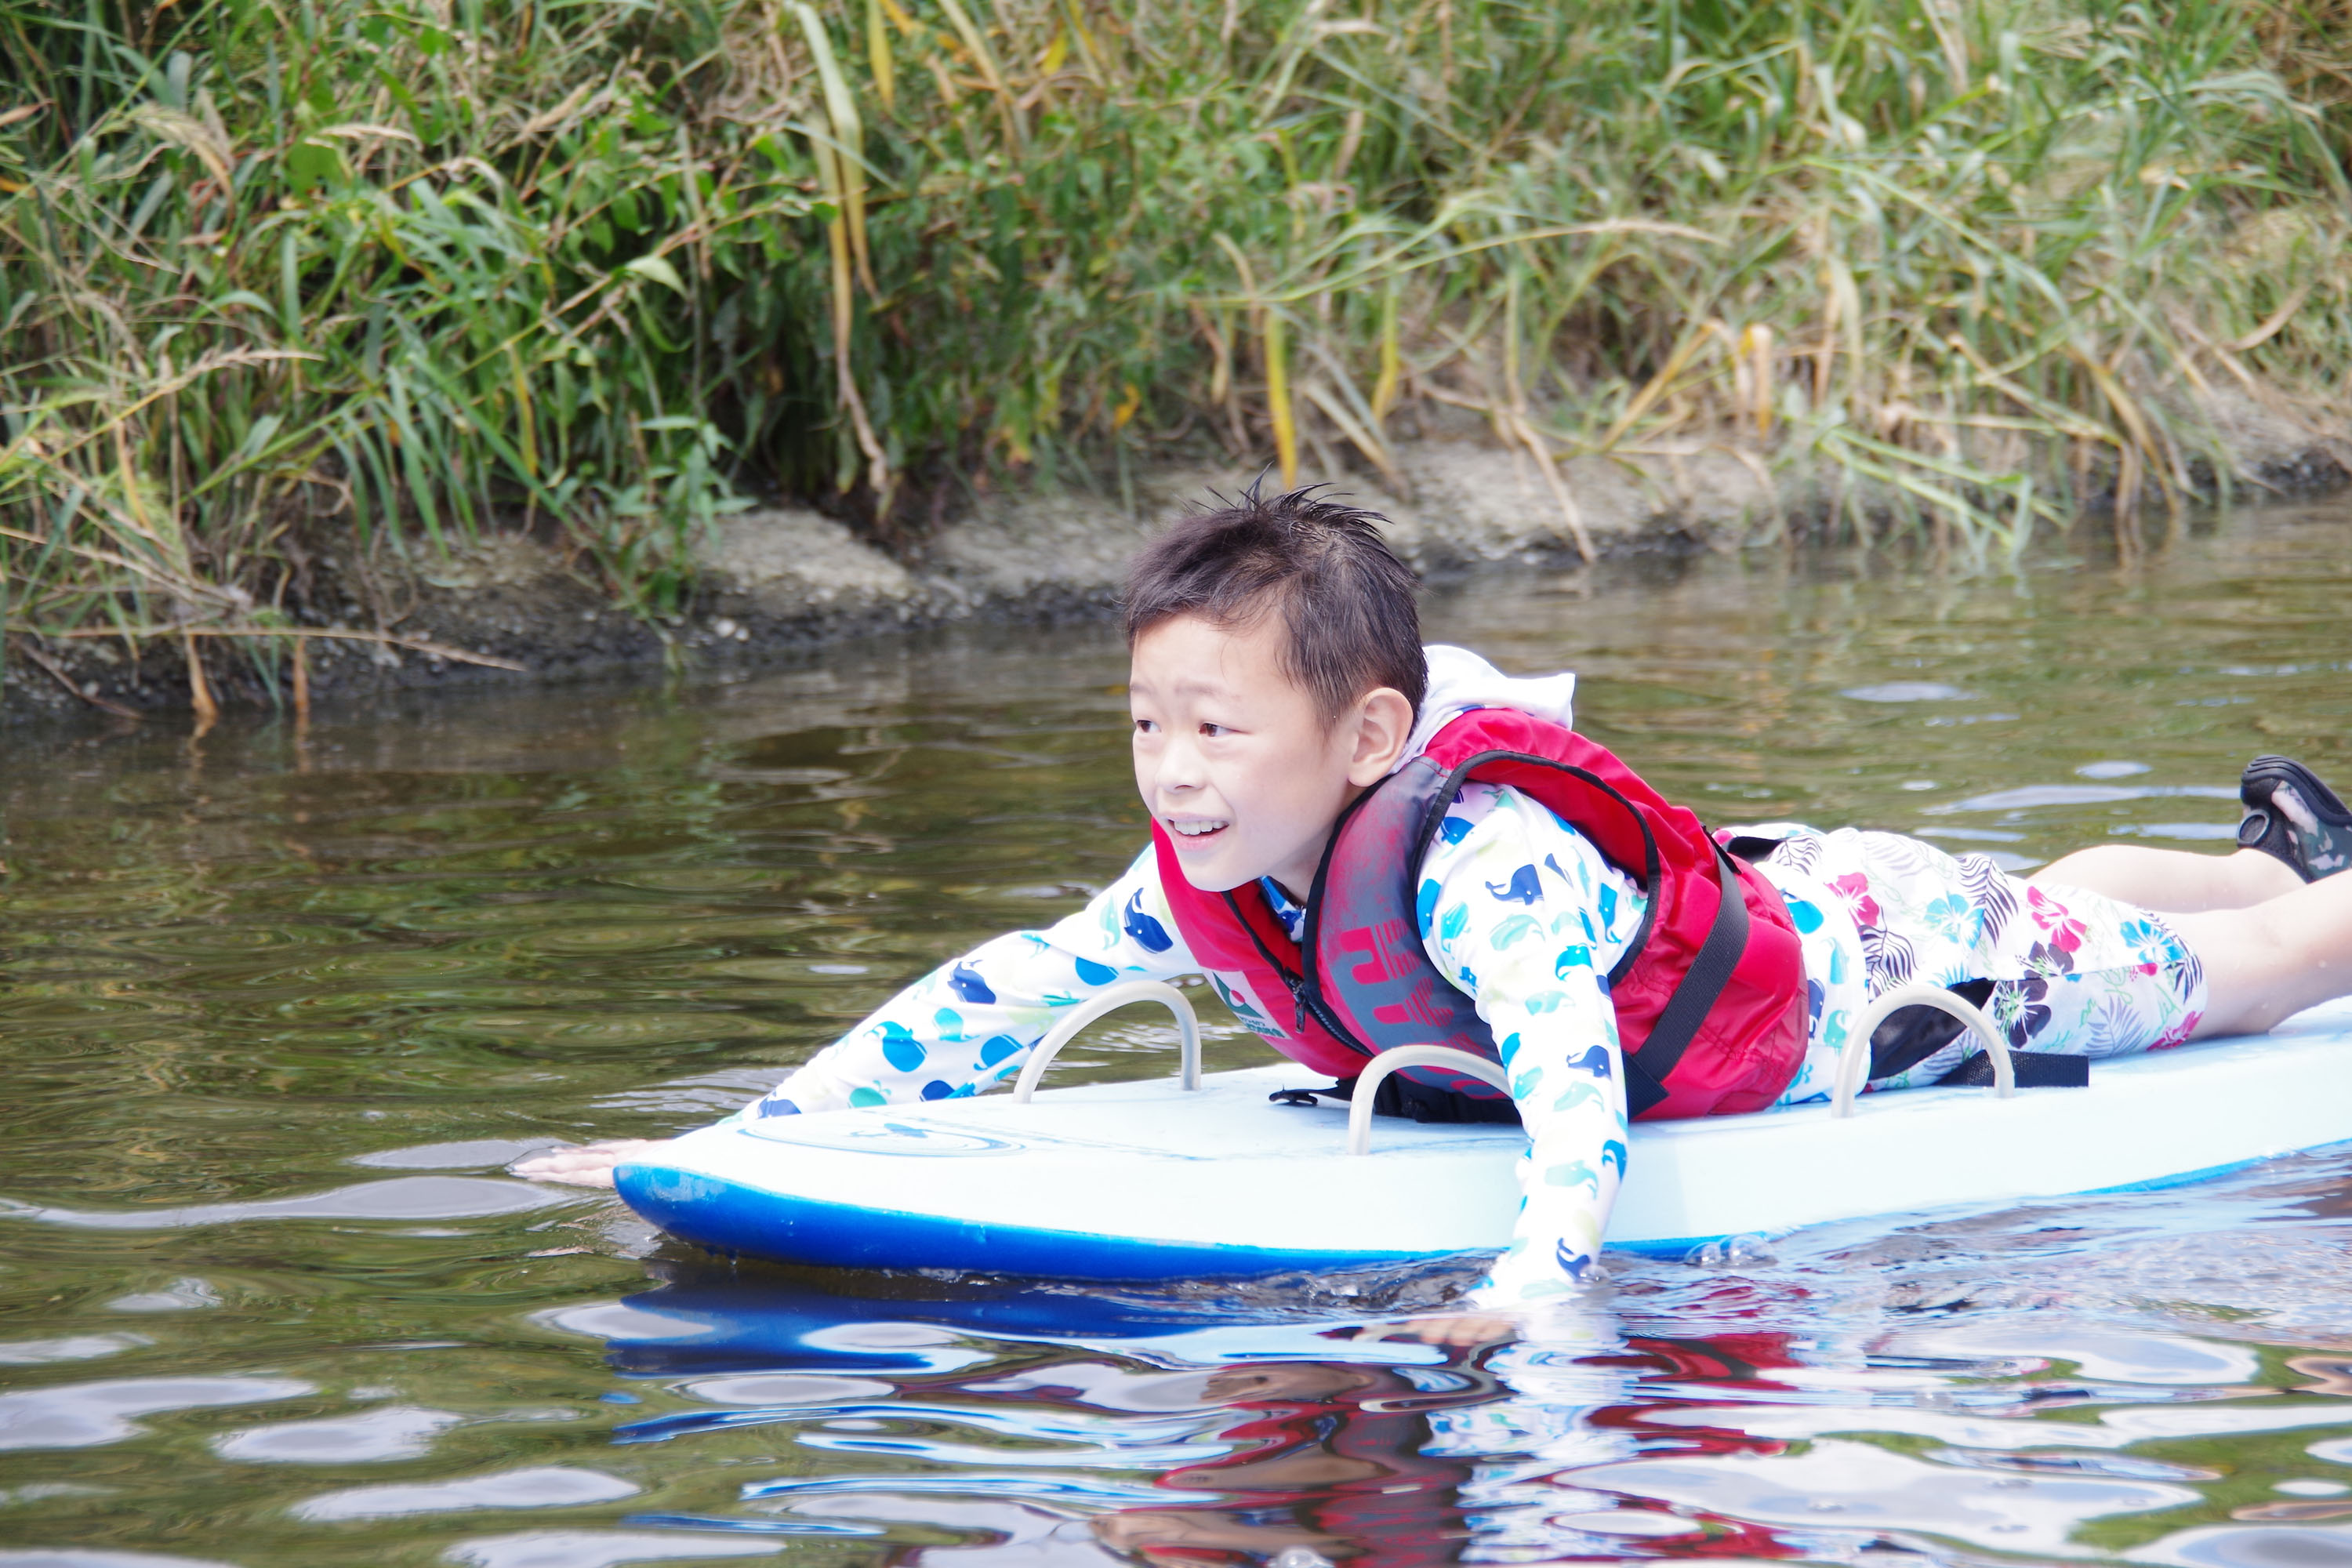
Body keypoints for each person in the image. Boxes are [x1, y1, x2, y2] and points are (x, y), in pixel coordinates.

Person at [517, 485, 2352, 1309]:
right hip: (1834, 894)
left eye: (1218, 726)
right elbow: (992, 996)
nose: (1171, 768)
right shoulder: (1223, 867)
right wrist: (737, 1134)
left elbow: (1572, 1087)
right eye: (1147, 721)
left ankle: (2309, 894)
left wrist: (1533, 1286)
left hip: (1867, 972)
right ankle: (2285, 840)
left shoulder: (1474, 867)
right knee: (2058, 899)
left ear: (1372, 731)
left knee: (2242, 982)